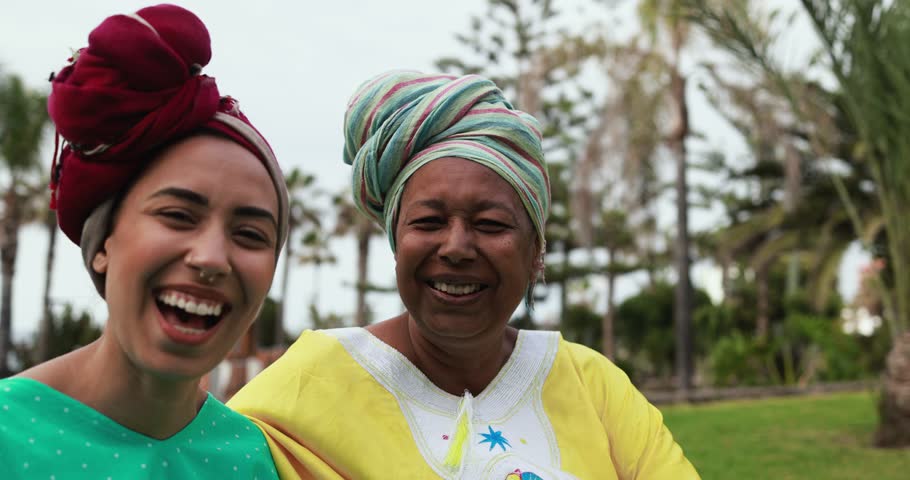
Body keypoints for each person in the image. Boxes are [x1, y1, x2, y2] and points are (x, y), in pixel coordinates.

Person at [229, 71, 699, 479]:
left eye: (491, 225)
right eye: (428, 223)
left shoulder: (592, 385)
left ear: (536, 251)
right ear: (397, 242)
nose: (455, 248)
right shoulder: (306, 387)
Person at [0, 5, 288, 479]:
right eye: (177, 216)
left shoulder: (256, 458)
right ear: (103, 244)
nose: (212, 258)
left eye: (250, 234)